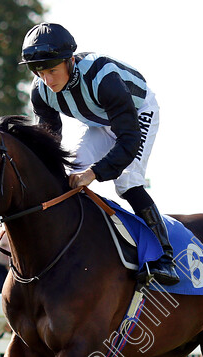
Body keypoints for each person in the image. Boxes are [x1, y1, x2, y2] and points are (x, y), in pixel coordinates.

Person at [20, 22, 179, 286]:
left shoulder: (102, 77)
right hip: (97, 121)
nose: (47, 80)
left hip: (137, 114)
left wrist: (94, 173)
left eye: (52, 70)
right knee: (69, 176)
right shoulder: (40, 91)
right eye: (39, 72)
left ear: (70, 61)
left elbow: (128, 140)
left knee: (127, 181)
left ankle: (165, 257)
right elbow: (49, 142)